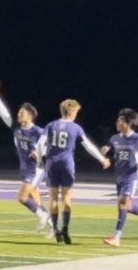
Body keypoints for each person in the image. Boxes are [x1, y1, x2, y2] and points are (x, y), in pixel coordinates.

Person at [35, 98, 111, 244]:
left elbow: (40, 144)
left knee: (53, 198)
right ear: (72, 112)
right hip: (67, 164)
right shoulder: (75, 128)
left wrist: (40, 160)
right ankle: (65, 227)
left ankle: (56, 229)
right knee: (67, 198)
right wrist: (102, 159)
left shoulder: (51, 125)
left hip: (51, 163)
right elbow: (88, 145)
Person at [0, 82, 52, 235]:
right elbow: (4, 114)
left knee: (22, 197)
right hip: (25, 169)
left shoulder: (38, 132)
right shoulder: (16, 129)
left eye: (22, 113)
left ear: (30, 116)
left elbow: (49, 145)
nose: (18, 114)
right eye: (19, 112)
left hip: (36, 169)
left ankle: (43, 216)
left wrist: (40, 152)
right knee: (35, 200)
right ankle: (53, 226)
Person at [101, 109, 138, 247]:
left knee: (122, 203)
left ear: (127, 123)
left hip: (132, 176)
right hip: (119, 176)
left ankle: (117, 237)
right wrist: (105, 154)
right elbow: (109, 149)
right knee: (126, 205)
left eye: (119, 121)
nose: (117, 123)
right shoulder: (115, 138)